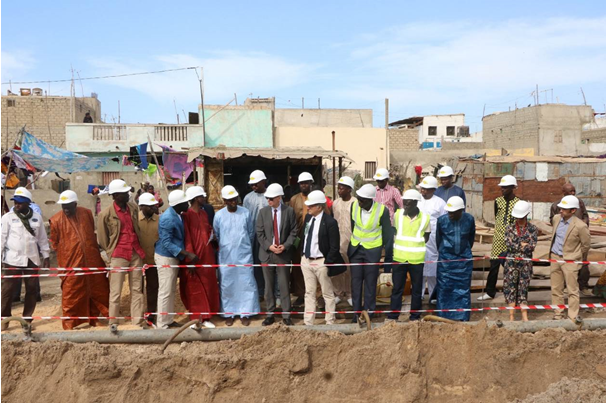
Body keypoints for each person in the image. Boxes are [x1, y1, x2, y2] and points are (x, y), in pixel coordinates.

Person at [49, 190, 110, 330]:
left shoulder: (86, 214)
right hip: (70, 262)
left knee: (97, 289)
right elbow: (55, 243)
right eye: (63, 205)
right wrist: (68, 253)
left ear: (75, 204)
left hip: (91, 259)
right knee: (71, 293)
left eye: (68, 205)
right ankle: (70, 323)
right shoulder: (55, 220)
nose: (65, 209)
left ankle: (94, 319)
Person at [97, 179, 147, 328]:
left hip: (135, 252)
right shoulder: (105, 214)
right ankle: (114, 321)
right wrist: (111, 253)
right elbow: (102, 239)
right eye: (125, 193)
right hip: (118, 255)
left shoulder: (133, 208)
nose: (128, 195)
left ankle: (137, 320)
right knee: (116, 291)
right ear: (116, 195)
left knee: (137, 289)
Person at [1, 187, 50, 330]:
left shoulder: (37, 217)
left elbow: (42, 238)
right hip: (12, 259)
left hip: (32, 259)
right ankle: (4, 320)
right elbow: (2, 239)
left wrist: (46, 255)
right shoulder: (7, 218)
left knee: (31, 290)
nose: (17, 205)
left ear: (28, 203)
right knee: (7, 290)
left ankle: (27, 320)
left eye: (20, 203)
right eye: (15, 202)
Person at [214, 185, 260, 326]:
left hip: (244, 255)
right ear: (224, 201)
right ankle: (229, 313)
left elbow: (251, 233)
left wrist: (244, 247)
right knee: (227, 284)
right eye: (230, 200)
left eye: (234, 198)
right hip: (226, 256)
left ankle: (246, 313)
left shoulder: (245, 213)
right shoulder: (219, 215)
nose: (233, 202)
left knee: (246, 283)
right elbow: (217, 234)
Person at [154, 190, 199, 329]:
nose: (188, 204)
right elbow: (166, 242)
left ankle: (168, 320)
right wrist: (187, 254)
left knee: (171, 290)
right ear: (178, 204)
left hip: (172, 257)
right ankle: (161, 324)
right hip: (166, 258)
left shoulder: (178, 214)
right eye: (185, 202)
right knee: (165, 291)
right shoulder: (168, 218)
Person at [348, 184, 392, 323]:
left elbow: (387, 234)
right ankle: (356, 314)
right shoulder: (354, 206)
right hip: (356, 249)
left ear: (370, 200)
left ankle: (368, 313)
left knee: (370, 283)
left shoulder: (382, 211)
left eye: (363, 200)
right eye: (359, 199)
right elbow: (353, 225)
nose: (359, 202)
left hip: (372, 251)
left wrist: (381, 250)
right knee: (355, 283)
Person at [257, 183, 298, 326]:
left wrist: (285, 246)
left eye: (271, 198)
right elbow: (259, 233)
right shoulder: (263, 212)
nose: (268, 201)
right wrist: (269, 246)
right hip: (267, 254)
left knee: (284, 284)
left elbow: (294, 232)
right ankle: (270, 314)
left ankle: (286, 315)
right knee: (268, 286)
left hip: (283, 254)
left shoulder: (289, 212)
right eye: (267, 198)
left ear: (279, 198)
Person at [387, 190, 430, 322]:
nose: (405, 205)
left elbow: (426, 237)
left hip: (417, 259)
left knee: (416, 290)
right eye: (404, 202)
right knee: (397, 288)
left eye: (408, 203)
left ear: (416, 203)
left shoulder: (425, 218)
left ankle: (415, 316)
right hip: (399, 258)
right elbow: (394, 232)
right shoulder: (397, 215)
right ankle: (393, 316)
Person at [301, 190, 342, 326]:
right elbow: (305, 237)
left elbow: (334, 247)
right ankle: (308, 322)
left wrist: (326, 262)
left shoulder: (330, 222)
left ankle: (329, 321)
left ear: (319, 207)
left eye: (311, 206)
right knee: (309, 292)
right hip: (307, 261)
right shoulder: (308, 218)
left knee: (327, 293)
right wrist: (303, 255)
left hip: (321, 261)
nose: (308, 208)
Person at [181, 186, 220, 328]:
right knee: (194, 287)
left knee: (209, 284)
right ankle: (197, 317)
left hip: (208, 255)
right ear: (196, 199)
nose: (205, 198)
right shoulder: (187, 216)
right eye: (202, 196)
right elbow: (187, 239)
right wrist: (189, 259)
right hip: (195, 257)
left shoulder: (204, 213)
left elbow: (208, 229)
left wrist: (213, 237)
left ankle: (207, 317)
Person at [478, 175, 520, 301]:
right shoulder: (498, 201)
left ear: (513, 187)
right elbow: (497, 216)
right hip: (498, 238)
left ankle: (513, 292)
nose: (503, 189)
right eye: (502, 187)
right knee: (494, 265)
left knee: (512, 266)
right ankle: (490, 292)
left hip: (512, 238)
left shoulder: (518, 202)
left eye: (506, 187)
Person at [549, 195, 591, 321]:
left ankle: (572, 316)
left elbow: (586, 245)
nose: (561, 210)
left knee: (572, 290)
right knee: (556, 289)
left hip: (570, 261)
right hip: (555, 258)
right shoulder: (556, 219)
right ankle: (558, 314)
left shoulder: (580, 226)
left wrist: (576, 257)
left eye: (564, 209)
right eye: (560, 208)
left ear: (573, 210)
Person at [435, 196, 476, 321]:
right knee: (445, 289)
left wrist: (464, 252)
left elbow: (471, 238)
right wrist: (445, 253)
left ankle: (462, 317)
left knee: (463, 290)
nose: (450, 215)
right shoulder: (441, 221)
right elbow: (438, 240)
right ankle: (443, 317)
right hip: (446, 262)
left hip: (463, 261)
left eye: (453, 212)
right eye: (449, 212)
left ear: (461, 211)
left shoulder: (469, 219)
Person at [503, 201, 538, 322]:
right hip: (511, 264)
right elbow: (508, 245)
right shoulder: (510, 228)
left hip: (525, 264)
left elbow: (532, 246)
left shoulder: (533, 229)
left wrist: (519, 245)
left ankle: (524, 316)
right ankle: (511, 316)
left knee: (523, 288)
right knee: (510, 288)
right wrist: (522, 245)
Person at [288, 172, 320, 306]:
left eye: (306, 183)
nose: (304, 185)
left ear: (311, 184)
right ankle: (301, 294)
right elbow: (290, 220)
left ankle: (317, 296)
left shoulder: (317, 198)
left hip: (315, 239)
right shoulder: (294, 199)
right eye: (302, 183)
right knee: (298, 268)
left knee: (316, 267)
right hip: (298, 239)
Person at [418, 176, 447, 303]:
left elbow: (444, 222)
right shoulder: (417, 201)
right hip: (418, 239)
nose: (423, 191)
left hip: (434, 240)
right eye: (422, 189)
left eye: (426, 189)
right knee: (419, 268)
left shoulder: (440, 203)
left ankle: (433, 296)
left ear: (433, 190)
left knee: (433, 269)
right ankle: (418, 295)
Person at [243, 169, 269, 298]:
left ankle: (271, 293)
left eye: (256, 184)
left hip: (269, 238)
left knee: (269, 265)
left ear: (263, 182)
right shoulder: (248, 198)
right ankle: (258, 292)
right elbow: (245, 219)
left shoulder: (271, 196)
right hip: (253, 237)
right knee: (256, 264)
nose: (253, 187)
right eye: (252, 185)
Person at [331, 176, 355, 307]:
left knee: (350, 269)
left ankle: (350, 294)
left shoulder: (355, 202)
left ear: (349, 189)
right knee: (338, 269)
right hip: (337, 240)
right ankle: (338, 294)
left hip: (351, 241)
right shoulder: (335, 203)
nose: (339, 190)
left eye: (342, 188)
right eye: (338, 188)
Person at [373, 168, 403, 273]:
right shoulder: (373, 191)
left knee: (389, 251)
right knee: (375, 251)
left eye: (382, 181)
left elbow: (402, 205)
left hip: (389, 225)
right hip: (375, 225)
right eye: (378, 181)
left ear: (386, 180)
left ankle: (386, 274)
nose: (380, 183)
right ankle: (375, 274)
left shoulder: (393, 191)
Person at [137, 192, 160, 325]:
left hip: (153, 262)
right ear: (142, 207)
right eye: (150, 206)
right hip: (138, 262)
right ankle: (139, 316)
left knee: (153, 288)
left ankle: (151, 315)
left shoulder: (159, 220)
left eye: (154, 206)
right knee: (138, 290)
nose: (153, 208)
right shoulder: (135, 220)